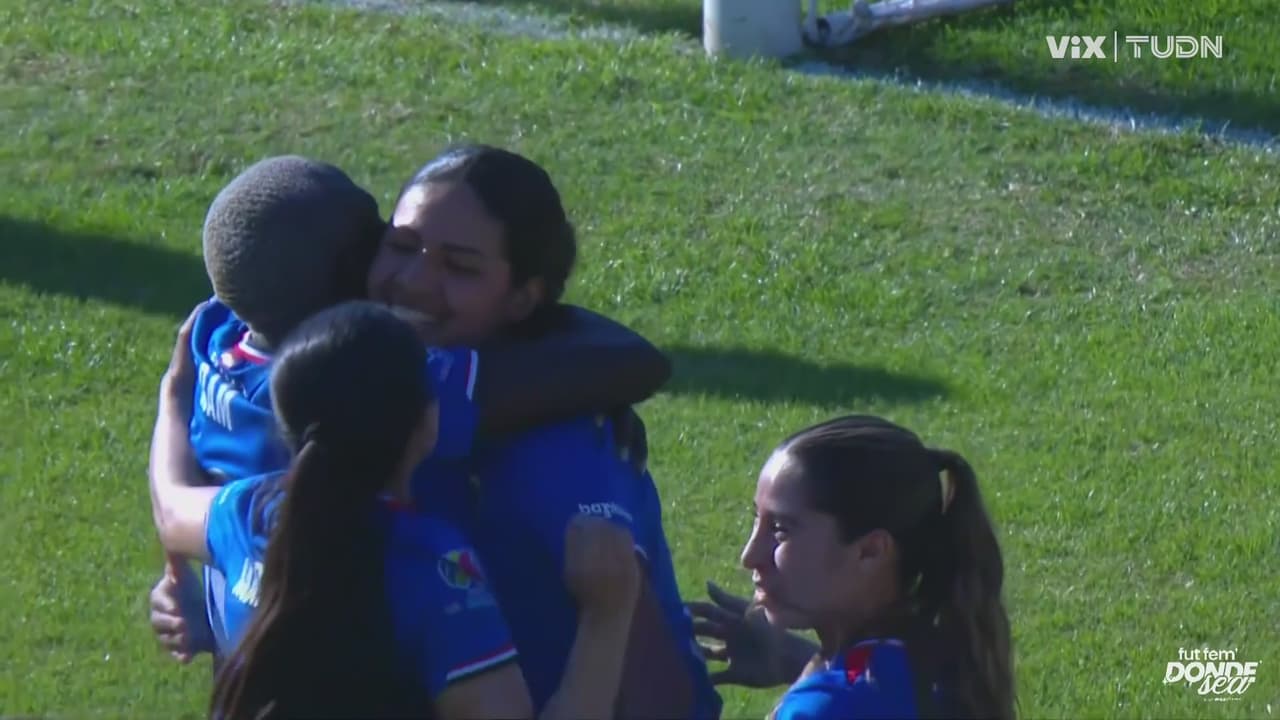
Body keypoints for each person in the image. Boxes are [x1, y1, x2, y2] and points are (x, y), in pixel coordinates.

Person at [150, 154, 673, 663]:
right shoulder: (372, 381)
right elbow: (636, 363)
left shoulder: (213, 333)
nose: (409, 278)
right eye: (387, 244)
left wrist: (171, 399)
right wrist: (584, 389)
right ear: (343, 283)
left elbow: (175, 509)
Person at [152, 300, 641, 719]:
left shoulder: (249, 515)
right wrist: (608, 612)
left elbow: (171, 508)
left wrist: (175, 393)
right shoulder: (432, 569)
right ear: (427, 422)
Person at [371, 143, 721, 719]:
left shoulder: (561, 448)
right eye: (401, 246)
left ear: (522, 299)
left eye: (459, 267)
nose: (412, 281)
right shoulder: (363, 382)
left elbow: (659, 695)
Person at [687, 415, 1016, 719]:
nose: (749, 555)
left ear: (870, 552)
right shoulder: (944, 662)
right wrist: (806, 661)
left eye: (780, 530)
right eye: (757, 520)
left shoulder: (825, 709)